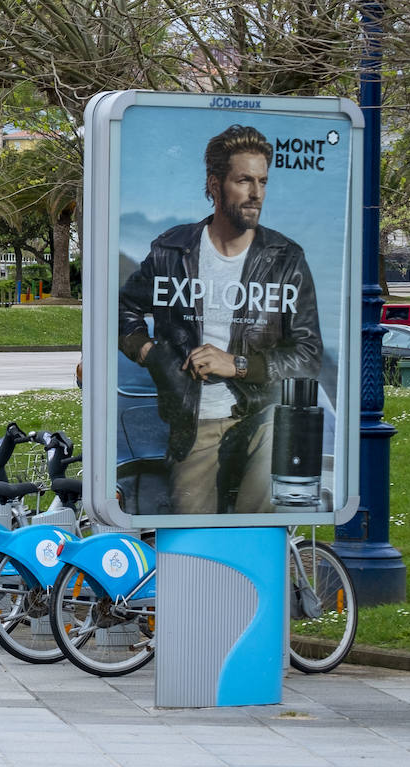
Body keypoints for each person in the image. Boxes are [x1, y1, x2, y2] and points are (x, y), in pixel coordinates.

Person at [118, 124, 322, 514]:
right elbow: (122, 310)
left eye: (262, 181)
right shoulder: (171, 251)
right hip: (197, 420)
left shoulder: (285, 258)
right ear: (214, 184)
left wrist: (239, 365)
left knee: (258, 527)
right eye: (244, 180)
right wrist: (150, 353)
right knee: (190, 535)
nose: (256, 194)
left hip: (267, 416)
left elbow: (308, 353)